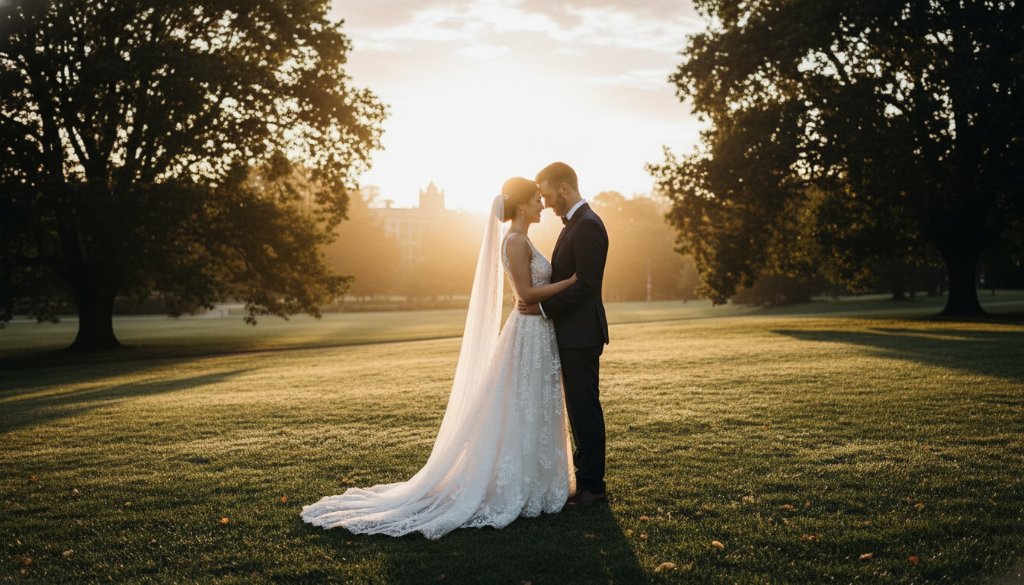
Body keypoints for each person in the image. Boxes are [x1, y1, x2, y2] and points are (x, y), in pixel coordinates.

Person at [301, 177, 577, 539]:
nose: (543, 206)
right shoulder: (513, 241)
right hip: (527, 333)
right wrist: (570, 283)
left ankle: (540, 481)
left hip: (537, 330)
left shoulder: (522, 239)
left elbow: (528, 293)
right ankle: (522, 484)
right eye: (537, 200)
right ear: (523, 205)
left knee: (535, 403)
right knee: (523, 402)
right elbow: (526, 291)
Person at [518, 162, 609, 506]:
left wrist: (542, 309)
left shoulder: (587, 225)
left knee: (585, 409)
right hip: (572, 332)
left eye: (547, 194)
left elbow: (586, 284)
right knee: (578, 407)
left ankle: (593, 487)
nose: (546, 202)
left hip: (582, 333)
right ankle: (586, 481)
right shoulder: (576, 224)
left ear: (565, 189)